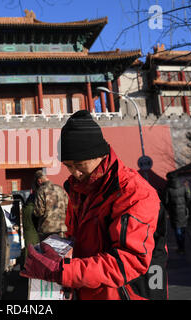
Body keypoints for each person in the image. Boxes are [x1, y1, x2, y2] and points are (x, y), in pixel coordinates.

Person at [20, 110, 168, 300]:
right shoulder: (80, 190)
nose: (75, 173)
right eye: (68, 166)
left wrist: (62, 272)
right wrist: (60, 252)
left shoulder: (133, 192)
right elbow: (80, 240)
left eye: (79, 164)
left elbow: (130, 260)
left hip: (128, 294)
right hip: (91, 289)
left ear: (99, 154)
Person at [33, 170, 69, 241]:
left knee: (47, 250)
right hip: (61, 228)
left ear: (39, 181)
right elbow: (68, 207)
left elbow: (39, 212)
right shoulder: (60, 189)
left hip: (47, 229)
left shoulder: (41, 190)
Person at [164, 172, 190, 254]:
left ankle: (180, 247)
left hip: (174, 211)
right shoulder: (183, 187)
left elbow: (166, 201)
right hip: (183, 210)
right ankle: (183, 246)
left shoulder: (168, 189)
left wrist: (168, 209)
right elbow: (188, 197)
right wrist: (184, 205)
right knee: (183, 228)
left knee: (177, 229)